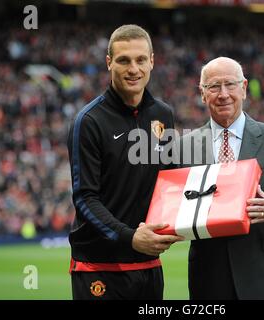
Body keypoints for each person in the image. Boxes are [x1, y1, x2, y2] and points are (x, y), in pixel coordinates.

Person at [179, 57, 264, 299]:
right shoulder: (184, 146)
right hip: (209, 279)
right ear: (202, 94)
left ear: (243, 88)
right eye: (213, 87)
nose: (223, 94)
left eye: (230, 85)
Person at [67, 24, 183, 300]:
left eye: (141, 59)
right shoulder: (90, 121)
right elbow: (85, 198)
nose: (134, 69)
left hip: (149, 263)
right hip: (100, 267)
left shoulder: (163, 115)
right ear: (109, 63)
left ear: (152, 61)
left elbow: (169, 182)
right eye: (123, 60)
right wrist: (129, 236)